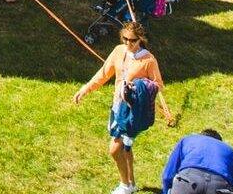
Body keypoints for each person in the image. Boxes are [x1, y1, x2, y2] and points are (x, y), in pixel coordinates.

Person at [73, 21, 174, 194]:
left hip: (134, 111)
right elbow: (104, 73)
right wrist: (86, 88)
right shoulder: (119, 51)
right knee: (126, 147)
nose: (128, 43)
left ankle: (125, 185)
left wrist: (139, 86)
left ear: (140, 39)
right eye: (125, 39)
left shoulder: (148, 60)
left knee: (114, 149)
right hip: (117, 106)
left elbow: (158, 84)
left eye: (133, 40)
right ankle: (131, 183)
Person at [159, 128, 233, 194]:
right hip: (220, 185)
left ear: (201, 135)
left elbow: (167, 176)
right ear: (219, 141)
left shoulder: (188, 139)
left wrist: (166, 191)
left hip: (188, 180)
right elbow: (232, 184)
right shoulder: (230, 151)